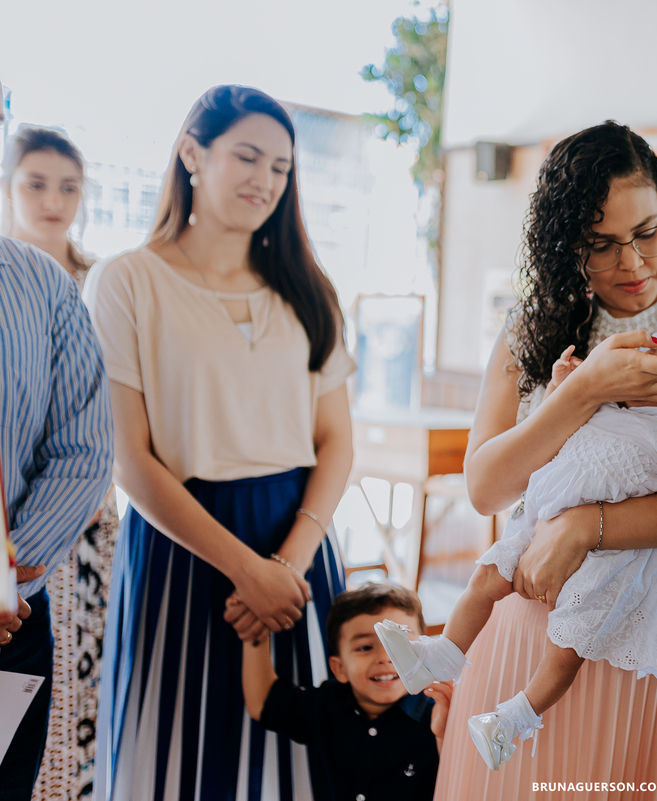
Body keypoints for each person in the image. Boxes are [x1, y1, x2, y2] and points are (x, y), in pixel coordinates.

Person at [432, 120, 657, 799]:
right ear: (567, 248)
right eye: (602, 244)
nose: (633, 262)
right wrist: (584, 390)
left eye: (648, 232)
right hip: (533, 630)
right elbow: (485, 487)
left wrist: (586, 525)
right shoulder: (527, 337)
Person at [84, 85, 356, 799]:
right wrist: (246, 570)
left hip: (298, 551)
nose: (266, 179)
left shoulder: (309, 292)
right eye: (248, 156)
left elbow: (336, 443)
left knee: (300, 764)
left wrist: (285, 571)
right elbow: (128, 458)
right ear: (191, 153)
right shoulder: (126, 281)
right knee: (178, 761)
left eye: (281, 166)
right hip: (184, 552)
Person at [378, 337, 657, 770]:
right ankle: (440, 654)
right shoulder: (609, 406)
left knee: (566, 648)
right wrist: (562, 389)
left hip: (612, 560)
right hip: (539, 524)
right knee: (484, 578)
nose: (649, 358)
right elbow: (551, 432)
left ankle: (514, 718)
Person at [1, 124, 122, 800]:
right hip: (23, 517)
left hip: (67, 518)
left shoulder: (82, 279)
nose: (54, 199)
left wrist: (14, 569)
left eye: (69, 185)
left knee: (78, 666)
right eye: (36, 183)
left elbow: (90, 427)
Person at [238, 582, 452, 801]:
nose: (386, 658)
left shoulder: (440, 713)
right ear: (339, 669)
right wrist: (254, 623)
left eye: (400, 645)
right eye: (365, 647)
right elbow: (263, 703)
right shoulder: (327, 704)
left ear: (425, 652)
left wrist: (445, 736)